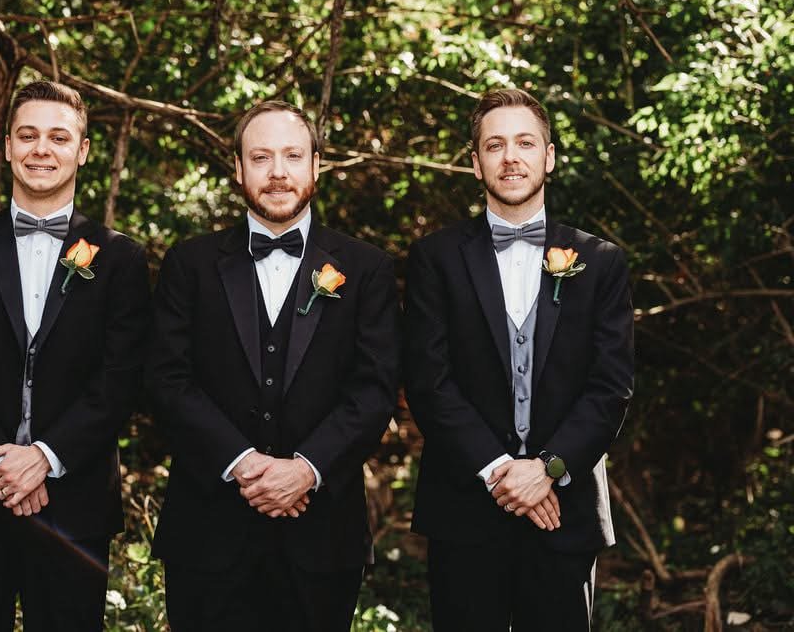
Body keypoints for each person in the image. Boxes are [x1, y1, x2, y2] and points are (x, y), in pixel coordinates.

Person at [146, 100, 399, 631]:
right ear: (238, 169)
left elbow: (374, 390)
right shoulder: (189, 265)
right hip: (207, 535)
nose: (278, 172)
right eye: (261, 157)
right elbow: (166, 381)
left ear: (315, 166)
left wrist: (305, 469)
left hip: (323, 538)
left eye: (292, 156)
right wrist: (244, 464)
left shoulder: (366, 268)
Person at [0, 80, 150, 631]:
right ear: (6, 147)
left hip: (76, 507)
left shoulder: (120, 259)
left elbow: (122, 377)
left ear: (82, 150)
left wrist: (44, 456)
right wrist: (3, 467)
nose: (42, 149)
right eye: (28, 135)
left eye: (58, 137)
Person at [403, 88, 634, 630]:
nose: (511, 157)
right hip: (463, 510)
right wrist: (501, 471)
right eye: (495, 145)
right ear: (475, 161)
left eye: (526, 143)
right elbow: (428, 380)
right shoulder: (435, 258)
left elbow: (611, 387)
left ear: (548, 157)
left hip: (565, 513)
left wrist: (548, 470)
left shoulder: (600, 261)